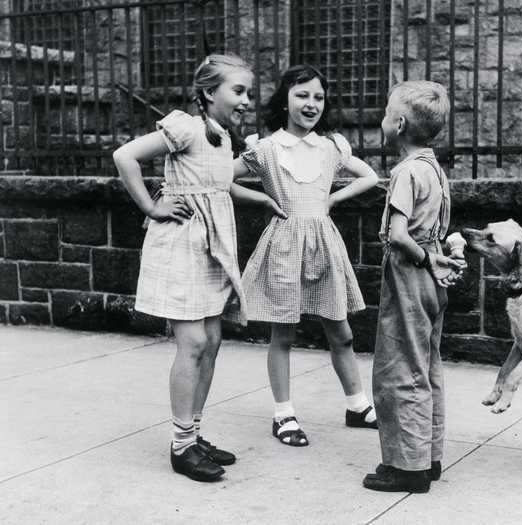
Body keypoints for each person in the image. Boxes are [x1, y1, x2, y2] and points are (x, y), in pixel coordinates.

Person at [113, 54, 282, 482]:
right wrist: (152, 206)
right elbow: (125, 156)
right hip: (181, 245)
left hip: (212, 249)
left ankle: (194, 433)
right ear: (209, 92)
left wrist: (260, 198)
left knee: (211, 339)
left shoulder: (222, 136)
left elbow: (220, 185)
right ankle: (181, 445)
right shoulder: (184, 126)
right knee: (191, 343)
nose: (246, 100)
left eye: (248, 92)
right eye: (238, 90)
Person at [231, 65, 379, 447]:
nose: (311, 104)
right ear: (284, 101)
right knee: (283, 333)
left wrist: (333, 198)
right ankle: (284, 415)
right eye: (302, 95)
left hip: (324, 245)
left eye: (318, 97)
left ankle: (358, 405)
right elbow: (219, 179)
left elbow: (370, 177)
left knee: (341, 331)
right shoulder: (264, 148)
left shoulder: (331, 147)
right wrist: (261, 197)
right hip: (284, 245)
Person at [362, 80, 465, 493]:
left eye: (386, 113)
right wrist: (436, 259)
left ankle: (406, 467)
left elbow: (401, 235)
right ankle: (428, 456)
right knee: (426, 364)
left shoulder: (406, 172)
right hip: (432, 275)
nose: (382, 120)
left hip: (411, 268)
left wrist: (424, 258)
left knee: (398, 367)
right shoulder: (434, 169)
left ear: (399, 124)